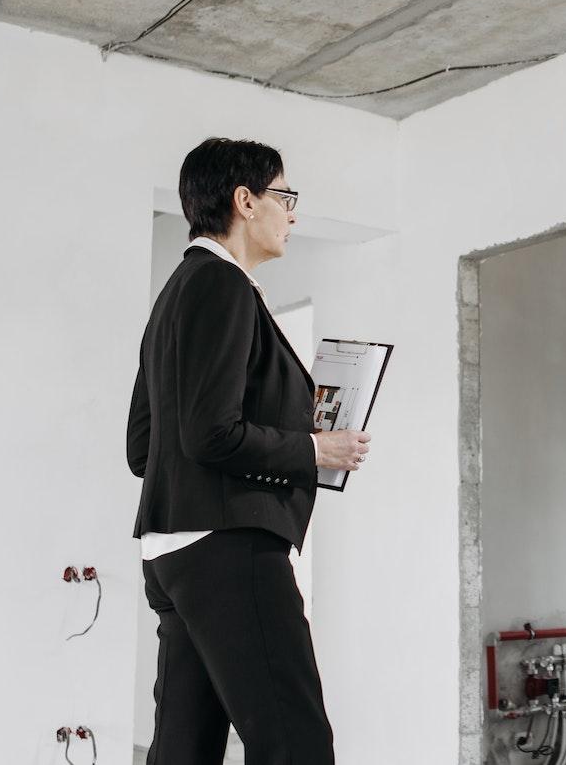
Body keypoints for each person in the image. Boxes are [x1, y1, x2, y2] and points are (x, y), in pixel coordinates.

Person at [126, 137, 371, 765]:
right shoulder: (225, 286)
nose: (291, 214)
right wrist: (312, 447)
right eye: (284, 197)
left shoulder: (176, 294)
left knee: (184, 748)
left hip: (174, 553)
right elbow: (209, 434)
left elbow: (142, 447)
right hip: (229, 544)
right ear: (245, 201)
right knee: (296, 743)